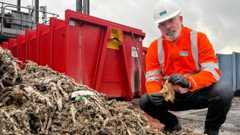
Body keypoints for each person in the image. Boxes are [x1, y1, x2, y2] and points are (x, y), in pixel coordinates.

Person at [139, 0, 234, 135]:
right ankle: (172, 124)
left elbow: (213, 71)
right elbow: (152, 77)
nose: (167, 26)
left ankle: (211, 130)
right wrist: (155, 92)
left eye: (171, 20)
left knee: (224, 90)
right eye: (162, 24)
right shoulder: (155, 47)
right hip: (172, 96)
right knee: (145, 101)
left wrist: (190, 82)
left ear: (181, 19)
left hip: (197, 93)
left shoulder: (199, 38)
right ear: (158, 27)